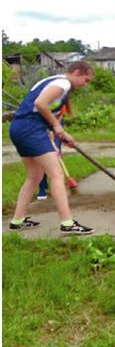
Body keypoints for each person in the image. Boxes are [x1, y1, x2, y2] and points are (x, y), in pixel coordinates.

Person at [8, 61, 95, 235]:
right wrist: (56, 125)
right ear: (77, 72)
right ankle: (67, 223)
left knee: (35, 175)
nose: (85, 85)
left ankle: (17, 220)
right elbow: (40, 103)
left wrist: (53, 136)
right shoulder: (63, 84)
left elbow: (40, 110)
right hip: (30, 129)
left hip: (21, 128)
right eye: (85, 80)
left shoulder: (55, 81)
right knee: (56, 174)